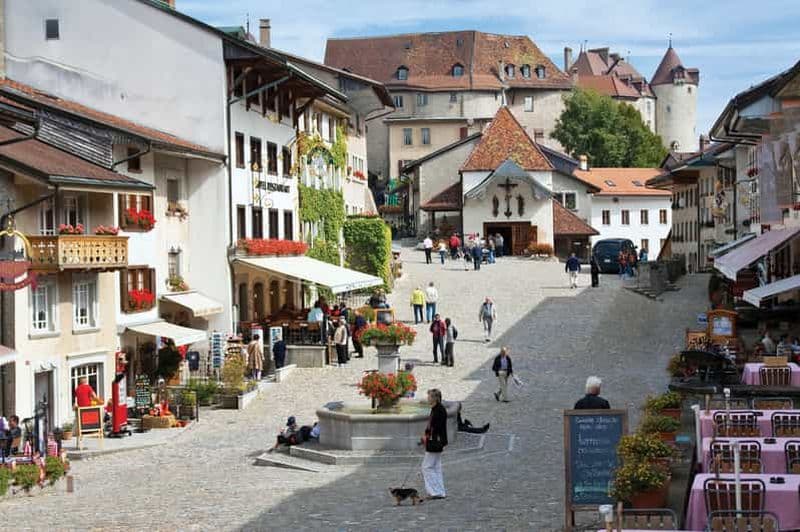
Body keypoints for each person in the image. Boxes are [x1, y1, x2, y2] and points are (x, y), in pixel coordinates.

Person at [421, 389, 447, 500]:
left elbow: (435, 427)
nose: (428, 398)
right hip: (436, 441)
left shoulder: (439, 410)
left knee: (426, 467)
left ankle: (434, 492)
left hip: (435, 441)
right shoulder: (436, 409)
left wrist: (427, 437)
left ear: (435, 398)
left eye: (429, 396)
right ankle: (440, 491)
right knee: (436, 467)